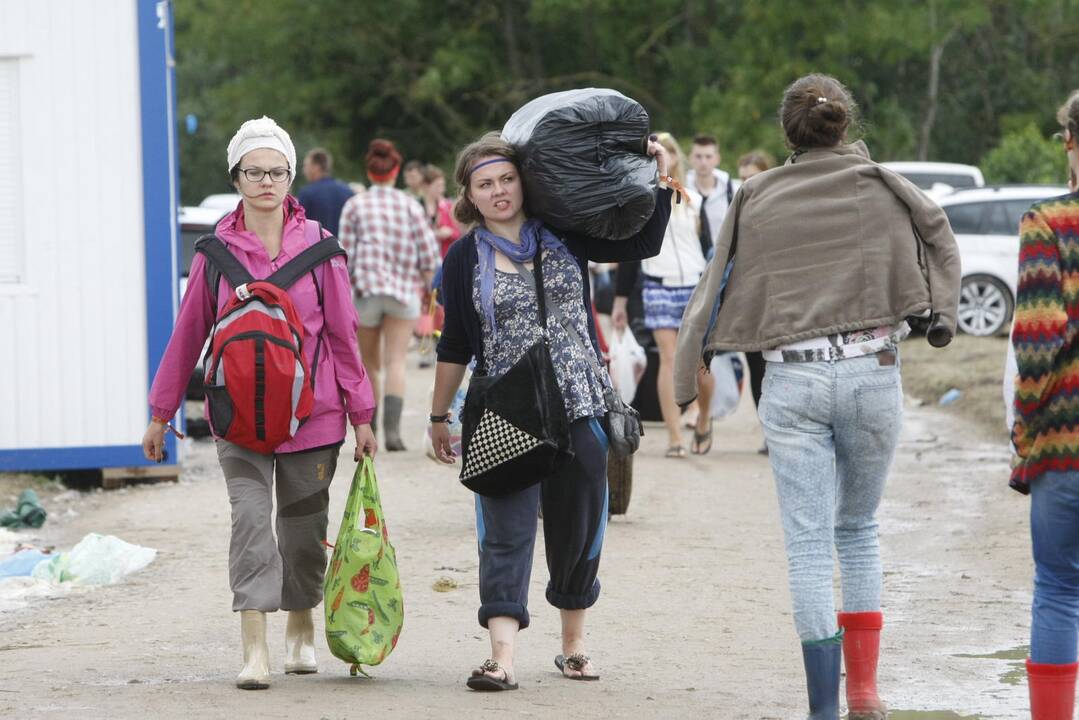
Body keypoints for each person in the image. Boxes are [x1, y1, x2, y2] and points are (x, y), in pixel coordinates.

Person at [674, 74, 960, 719]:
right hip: (872, 372)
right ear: (845, 125)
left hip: (793, 379)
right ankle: (864, 694)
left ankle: (823, 709)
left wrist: (686, 371)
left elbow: (716, 277)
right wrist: (941, 315)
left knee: (807, 548)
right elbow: (938, 230)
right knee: (857, 531)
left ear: (787, 132)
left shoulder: (757, 194)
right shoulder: (885, 185)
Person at [142, 116, 377, 690]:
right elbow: (188, 332)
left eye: (276, 171)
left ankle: (301, 624)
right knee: (250, 522)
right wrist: (160, 411)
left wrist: (362, 415)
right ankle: (255, 646)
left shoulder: (321, 248)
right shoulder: (216, 251)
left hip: (314, 418)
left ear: (291, 176)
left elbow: (344, 337)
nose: (266, 181)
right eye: (254, 172)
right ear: (237, 175)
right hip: (236, 415)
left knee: (302, 529)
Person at [430, 132, 672, 691]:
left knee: (579, 523)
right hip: (504, 411)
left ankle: (574, 647)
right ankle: (502, 658)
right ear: (469, 194)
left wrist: (654, 177)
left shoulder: (565, 231)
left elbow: (641, 242)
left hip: (580, 400)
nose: (498, 192)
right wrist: (439, 416)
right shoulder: (464, 255)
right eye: (484, 184)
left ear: (523, 181)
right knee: (505, 530)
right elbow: (454, 344)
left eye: (506, 180)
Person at [1010, 89, 1079, 719]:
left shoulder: (1050, 222)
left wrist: (1024, 428)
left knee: (1059, 590)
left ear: (1070, 144)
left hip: (1067, 441)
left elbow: (1037, 343)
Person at [612, 132, 714, 457]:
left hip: (695, 285)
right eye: (658, 156)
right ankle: (674, 437)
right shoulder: (641, 198)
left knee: (699, 361)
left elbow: (711, 247)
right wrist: (620, 300)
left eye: (668, 155)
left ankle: (703, 418)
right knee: (669, 359)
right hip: (658, 283)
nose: (663, 162)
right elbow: (632, 251)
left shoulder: (693, 198)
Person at [339, 139, 440, 452]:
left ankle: (370, 431)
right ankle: (393, 433)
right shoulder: (409, 204)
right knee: (397, 360)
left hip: (365, 291)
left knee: (370, 366)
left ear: (369, 172)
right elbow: (428, 254)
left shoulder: (355, 204)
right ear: (396, 171)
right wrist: (428, 289)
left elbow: (344, 254)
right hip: (402, 292)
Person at [736, 149, 776, 454]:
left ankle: (780, 428)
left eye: (752, 178)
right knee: (755, 367)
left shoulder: (780, 207)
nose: (746, 184)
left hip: (775, 301)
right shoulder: (737, 210)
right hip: (748, 300)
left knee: (775, 366)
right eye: (742, 179)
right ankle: (768, 429)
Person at [686, 134, 735, 255]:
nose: (703, 162)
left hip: (722, 260)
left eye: (708, 156)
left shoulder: (731, 188)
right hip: (691, 261)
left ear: (717, 159)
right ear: (690, 158)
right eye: (698, 156)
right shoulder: (681, 189)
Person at [296, 147, 354, 235]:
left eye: (306, 166)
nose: (304, 171)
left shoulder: (307, 194)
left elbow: (299, 228)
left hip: (317, 246)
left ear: (316, 167)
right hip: (342, 246)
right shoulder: (348, 192)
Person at [422, 164, 463, 259]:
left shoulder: (449, 206)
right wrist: (435, 234)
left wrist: (450, 233)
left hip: (447, 259)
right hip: (426, 260)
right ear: (426, 186)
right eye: (438, 186)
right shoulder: (417, 207)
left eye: (442, 185)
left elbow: (461, 234)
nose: (442, 190)